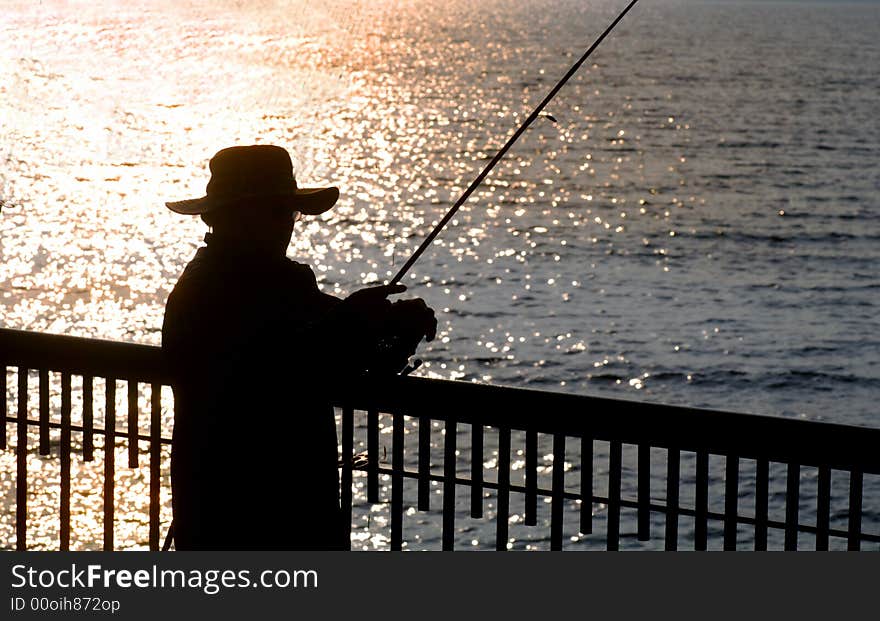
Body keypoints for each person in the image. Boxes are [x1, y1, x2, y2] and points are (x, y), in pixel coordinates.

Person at [161, 144, 436, 550]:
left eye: (287, 214)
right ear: (234, 218)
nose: (286, 226)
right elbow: (274, 371)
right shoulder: (219, 290)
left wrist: (392, 329)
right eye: (276, 213)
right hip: (256, 514)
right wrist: (356, 321)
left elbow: (345, 356)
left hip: (230, 509)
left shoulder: (244, 281)